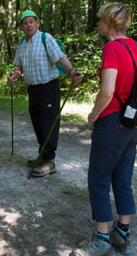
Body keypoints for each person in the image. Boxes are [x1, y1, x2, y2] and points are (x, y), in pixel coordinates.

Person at [70, 3, 137, 256]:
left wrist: (93, 115)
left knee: (98, 179)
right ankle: (122, 234)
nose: (98, 24)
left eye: (100, 20)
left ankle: (102, 239)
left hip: (112, 122)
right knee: (123, 179)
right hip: (134, 124)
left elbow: (107, 91)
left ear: (109, 22)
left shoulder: (112, 48)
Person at [7, 10, 83, 178]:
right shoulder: (22, 43)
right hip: (33, 89)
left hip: (49, 88)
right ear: (21, 26)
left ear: (37, 23)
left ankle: (49, 161)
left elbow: (60, 58)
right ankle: (43, 156)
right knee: (38, 124)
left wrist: (71, 72)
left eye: (31, 22)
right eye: (25, 22)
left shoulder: (45, 38)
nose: (28, 25)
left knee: (48, 124)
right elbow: (18, 67)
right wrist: (14, 76)